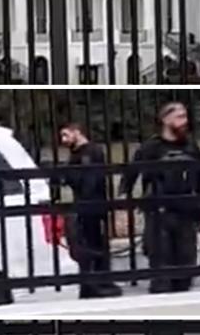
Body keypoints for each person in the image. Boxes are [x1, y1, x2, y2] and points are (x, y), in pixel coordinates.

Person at [118, 101, 200, 294]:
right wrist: (123, 208)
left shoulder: (191, 147)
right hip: (159, 212)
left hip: (186, 211)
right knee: (161, 265)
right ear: (165, 119)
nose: (185, 121)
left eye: (185, 116)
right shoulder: (151, 148)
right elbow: (129, 176)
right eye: (179, 117)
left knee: (186, 264)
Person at [57, 123, 122, 299]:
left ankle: (100, 282)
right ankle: (95, 281)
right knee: (87, 243)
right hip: (86, 205)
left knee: (95, 243)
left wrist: (70, 177)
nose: (63, 140)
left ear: (77, 132)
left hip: (92, 205)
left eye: (66, 135)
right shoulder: (77, 153)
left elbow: (89, 180)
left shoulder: (90, 152)